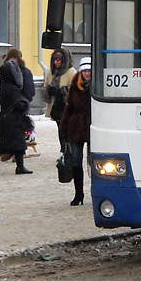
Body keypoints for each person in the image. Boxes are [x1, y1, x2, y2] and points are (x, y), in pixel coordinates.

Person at [0, 56, 33, 176]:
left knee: (5, 143)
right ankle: (18, 167)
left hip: (6, 119)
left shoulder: (4, 87)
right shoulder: (12, 88)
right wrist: (25, 104)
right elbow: (17, 105)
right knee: (18, 142)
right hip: (12, 120)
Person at [59, 56, 92, 206]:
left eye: (89, 70)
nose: (87, 73)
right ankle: (79, 194)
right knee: (76, 162)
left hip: (92, 127)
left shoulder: (97, 86)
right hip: (77, 127)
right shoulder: (75, 84)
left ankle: (96, 191)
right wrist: (63, 126)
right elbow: (69, 106)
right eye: (84, 70)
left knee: (95, 162)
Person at [43, 46, 76, 150]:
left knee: (67, 131)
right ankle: (63, 150)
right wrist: (49, 90)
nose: (56, 63)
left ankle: (68, 151)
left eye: (59, 60)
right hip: (56, 107)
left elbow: (74, 91)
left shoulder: (71, 72)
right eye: (55, 60)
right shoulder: (52, 72)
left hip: (67, 108)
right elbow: (46, 85)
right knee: (60, 129)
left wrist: (62, 91)